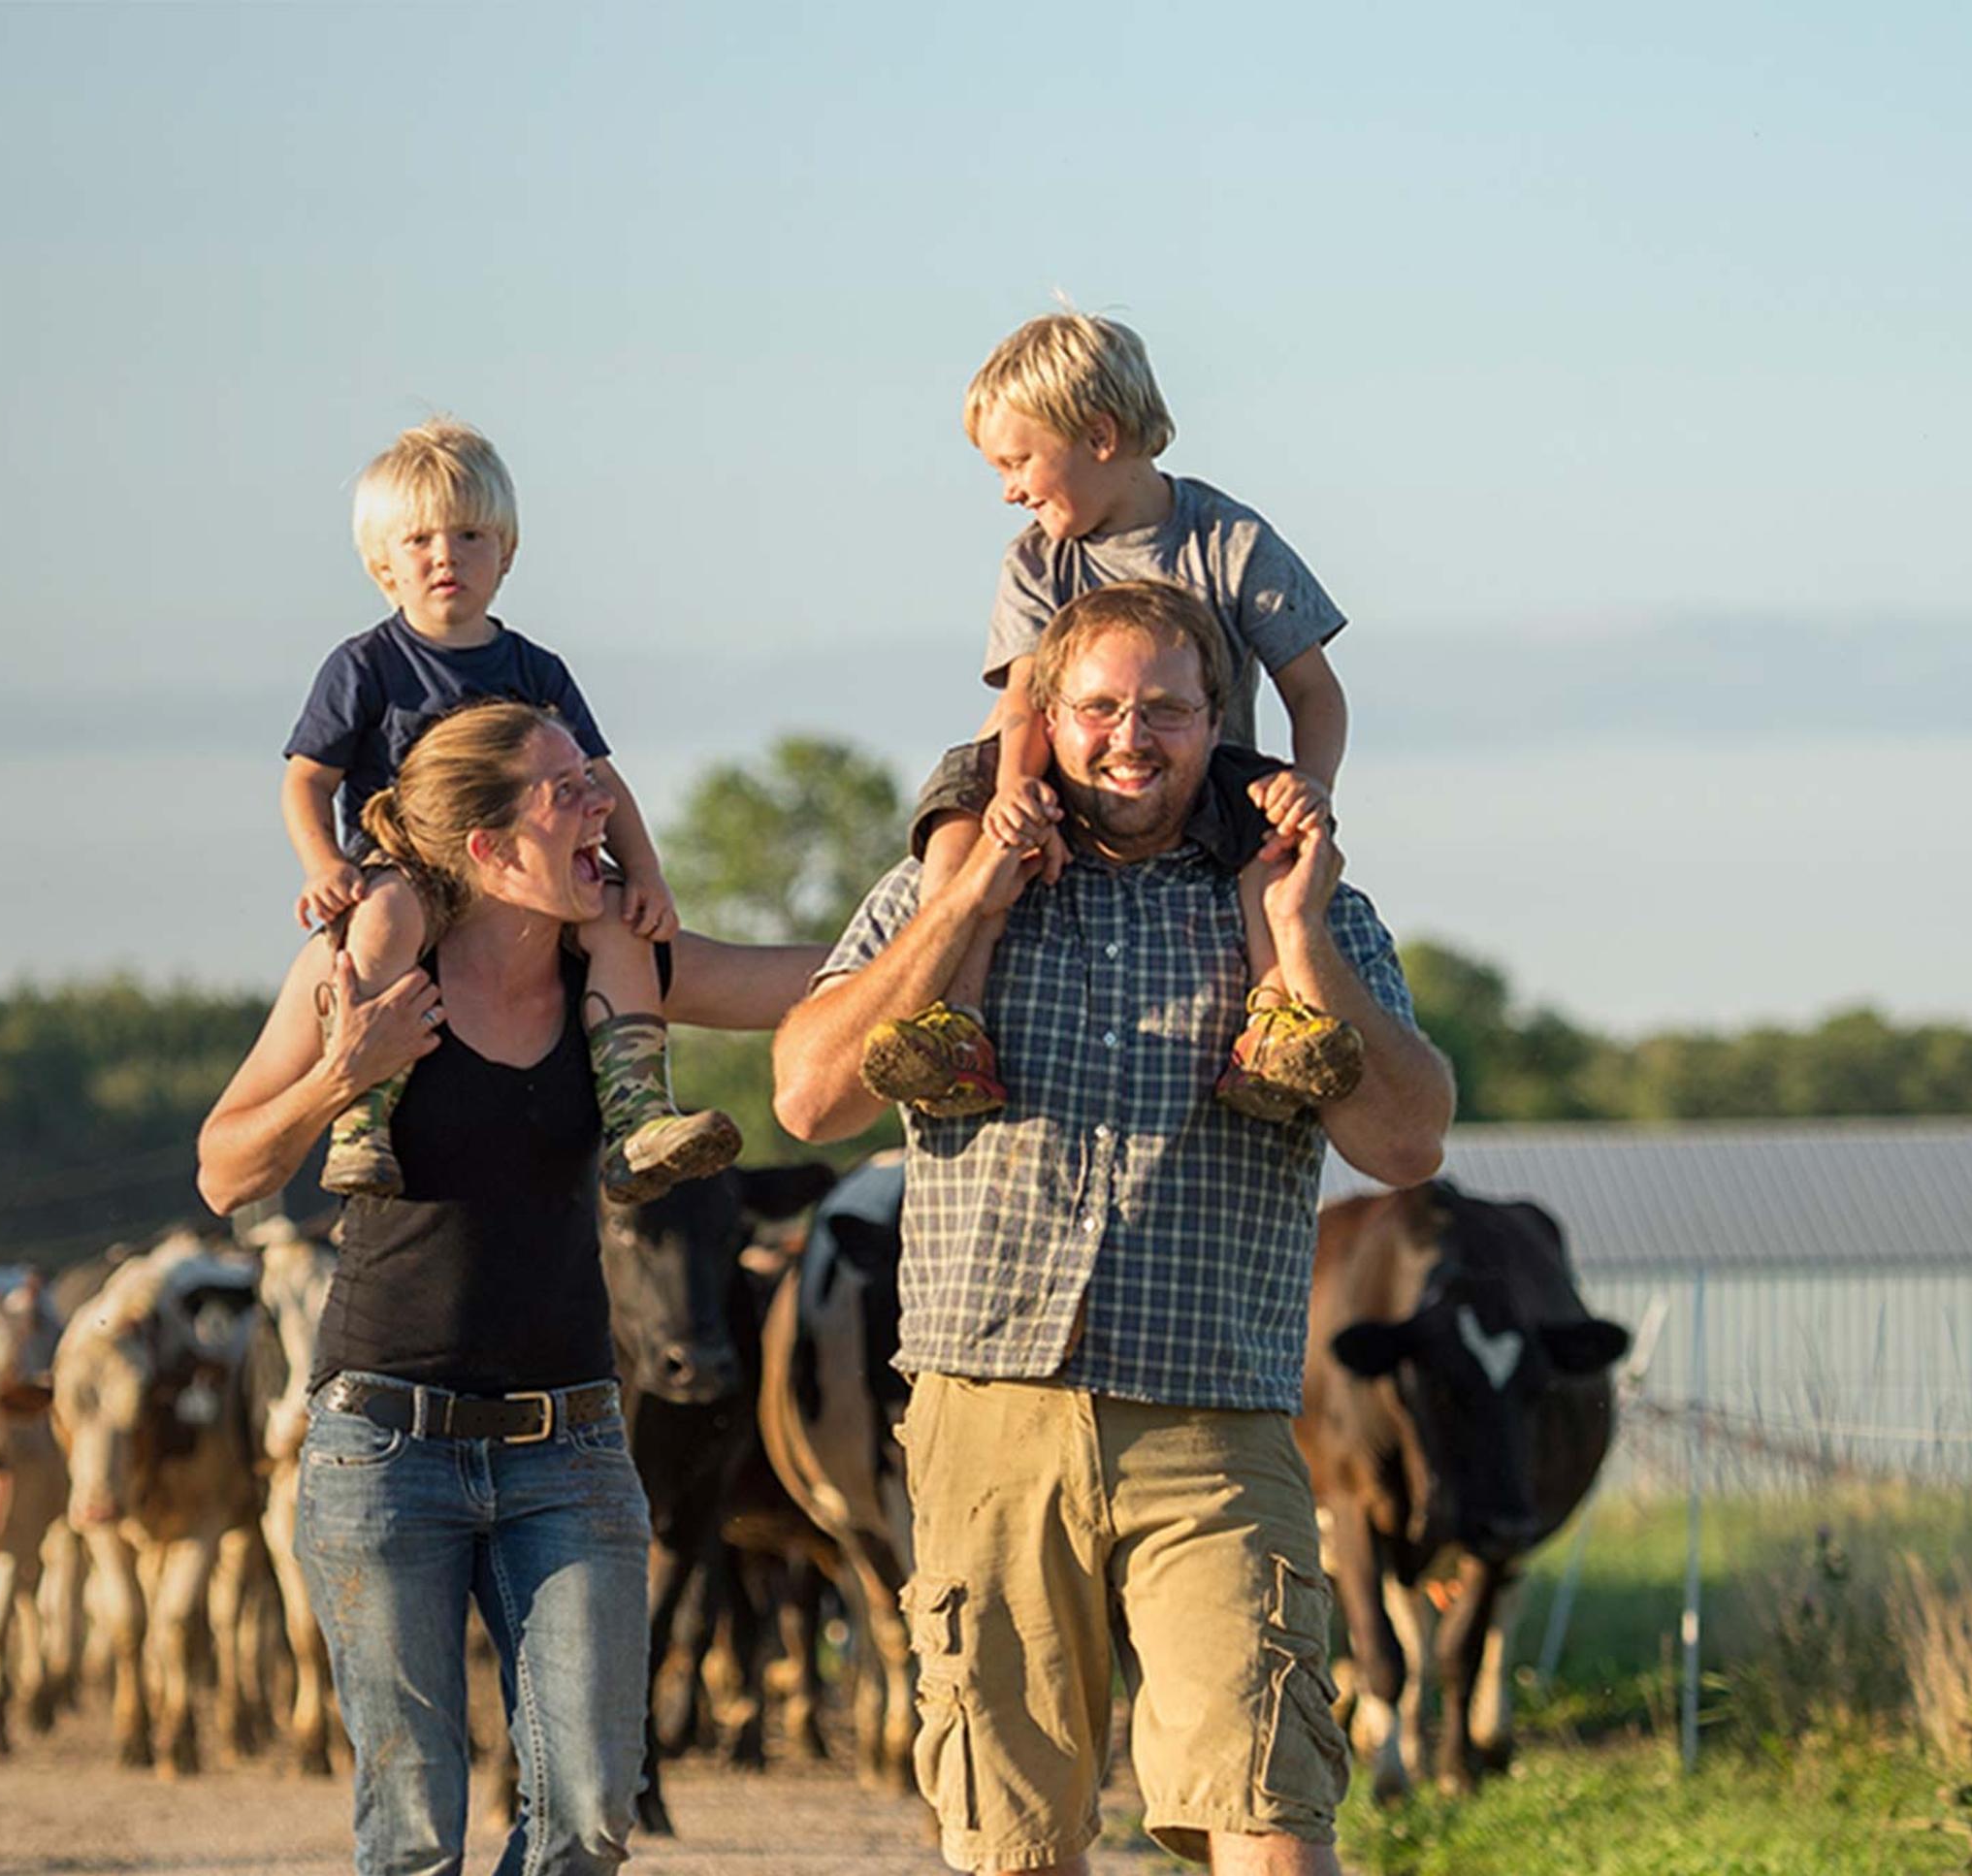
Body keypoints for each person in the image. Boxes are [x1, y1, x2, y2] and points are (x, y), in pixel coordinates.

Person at [771, 580, 1454, 1876]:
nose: (1129, 737)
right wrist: (969, 898)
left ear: (1215, 720)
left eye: (1165, 709)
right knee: (1016, 1839)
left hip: (1214, 1424)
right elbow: (809, 1092)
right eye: (1098, 708)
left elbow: (1409, 1140)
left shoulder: (1288, 895)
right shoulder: (956, 876)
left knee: (1271, 1820)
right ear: (1051, 718)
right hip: (989, 1412)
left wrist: (1299, 937)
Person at [202, 698, 825, 1876]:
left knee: (590, 1811)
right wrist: (344, 1073)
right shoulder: (363, 966)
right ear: (487, 847)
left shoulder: (621, 971)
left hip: (574, 1446)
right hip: (383, 1446)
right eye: (567, 789)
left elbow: (820, 976)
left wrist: (980, 897)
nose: (606, 805)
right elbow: (226, 1165)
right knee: (417, 1830)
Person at [864, 310, 1364, 1124]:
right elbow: (1024, 703)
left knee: (1272, 842)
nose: (1010, 489)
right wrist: (1017, 801)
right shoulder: (1036, 559)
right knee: (962, 801)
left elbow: (1314, 690)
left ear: (1098, 435)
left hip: (1200, 778)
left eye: (1019, 461)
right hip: (1060, 769)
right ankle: (954, 1022)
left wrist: (1310, 787)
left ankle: (1274, 1029)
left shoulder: (1229, 541)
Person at [280, 418, 735, 1203]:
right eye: (418, 539)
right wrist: (324, 865)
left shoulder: (534, 667)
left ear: (507, 553)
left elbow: (601, 781)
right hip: (412, 870)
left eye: (469, 535)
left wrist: (649, 875)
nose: (444, 555)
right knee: (383, 915)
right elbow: (305, 781)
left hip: (527, 880)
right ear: (380, 563)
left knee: (618, 919)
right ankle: (362, 1119)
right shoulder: (364, 666)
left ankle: (636, 1120)